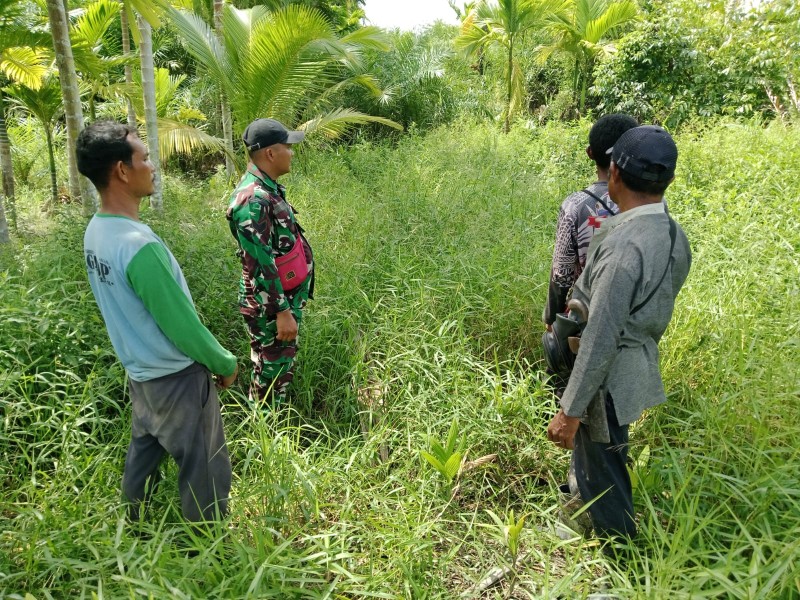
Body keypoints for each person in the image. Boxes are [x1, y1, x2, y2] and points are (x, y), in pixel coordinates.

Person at [78, 120, 237, 523]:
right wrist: (223, 362)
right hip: (177, 380)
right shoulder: (137, 245)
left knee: (144, 457)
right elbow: (180, 325)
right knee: (205, 471)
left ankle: (133, 531)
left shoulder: (96, 232)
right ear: (121, 170)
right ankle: (211, 554)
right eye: (145, 158)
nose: (152, 166)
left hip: (141, 375)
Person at [546, 125, 692, 540]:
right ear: (669, 180)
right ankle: (582, 513)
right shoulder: (672, 234)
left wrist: (568, 412)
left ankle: (621, 560)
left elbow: (601, 337)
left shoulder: (625, 247)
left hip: (606, 377)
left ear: (613, 174)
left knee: (606, 474)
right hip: (635, 365)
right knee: (604, 457)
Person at [227, 118, 314, 406]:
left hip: (281, 300)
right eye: (287, 147)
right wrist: (282, 311)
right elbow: (260, 263)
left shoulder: (268, 189)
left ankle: (272, 430)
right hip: (270, 306)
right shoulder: (253, 199)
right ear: (270, 153)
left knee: (276, 369)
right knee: (270, 376)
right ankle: (266, 438)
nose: (292, 152)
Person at [543, 114, 639, 332]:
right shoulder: (650, 203)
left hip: (586, 316)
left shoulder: (575, 205)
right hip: (634, 319)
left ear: (590, 153)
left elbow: (562, 274)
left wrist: (551, 319)